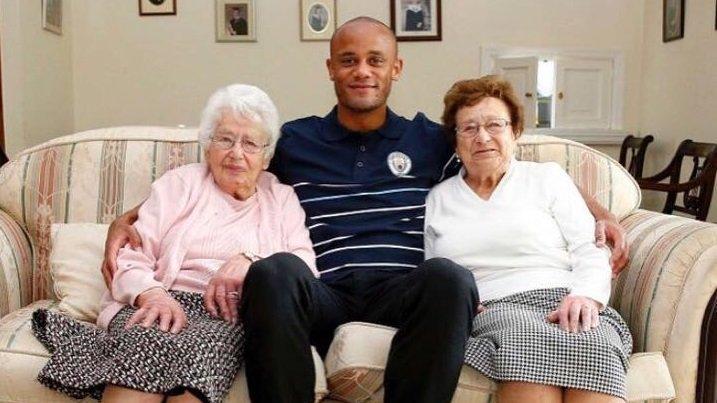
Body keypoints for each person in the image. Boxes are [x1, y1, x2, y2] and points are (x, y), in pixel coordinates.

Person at [102, 17, 629, 403]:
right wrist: (131, 217)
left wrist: (600, 210)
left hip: (403, 290)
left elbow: (502, 164)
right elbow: (227, 168)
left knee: (448, 276)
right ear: (330, 66)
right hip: (323, 291)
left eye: (375, 60)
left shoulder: (429, 138)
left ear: (395, 68)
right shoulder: (296, 140)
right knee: (276, 269)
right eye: (349, 60)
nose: (362, 71)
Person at [32, 84, 317, 403]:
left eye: (250, 143)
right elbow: (131, 255)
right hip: (160, 300)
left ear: (266, 158)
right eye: (225, 139)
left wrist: (251, 259)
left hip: (226, 317)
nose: (236, 152)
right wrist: (152, 294)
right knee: (146, 341)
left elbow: (305, 267)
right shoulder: (180, 184)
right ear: (208, 147)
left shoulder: (282, 199)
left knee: (201, 353)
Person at [425, 75, 632, 403]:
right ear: (455, 141)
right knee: (524, 338)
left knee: (597, 342)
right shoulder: (438, 199)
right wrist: (456, 305)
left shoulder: (547, 178)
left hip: (564, 297)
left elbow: (587, 246)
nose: (482, 137)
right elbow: (431, 270)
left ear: (515, 132)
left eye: (495, 125)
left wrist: (587, 296)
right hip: (493, 307)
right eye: (468, 128)